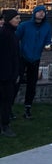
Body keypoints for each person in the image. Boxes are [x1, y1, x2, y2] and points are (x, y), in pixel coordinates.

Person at [15, 4, 52, 119]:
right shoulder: (25, 25)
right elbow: (16, 38)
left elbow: (48, 41)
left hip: (35, 59)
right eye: (39, 11)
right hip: (22, 58)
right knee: (16, 82)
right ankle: (8, 108)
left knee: (32, 84)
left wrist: (47, 46)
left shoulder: (47, 27)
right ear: (34, 13)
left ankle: (27, 108)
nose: (41, 13)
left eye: (43, 12)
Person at [0, 9, 21, 137]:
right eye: (17, 18)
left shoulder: (12, 33)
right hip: (4, 76)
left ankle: (4, 124)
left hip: (9, 75)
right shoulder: (4, 34)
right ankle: (5, 126)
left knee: (6, 101)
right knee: (6, 101)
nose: (19, 20)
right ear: (9, 19)